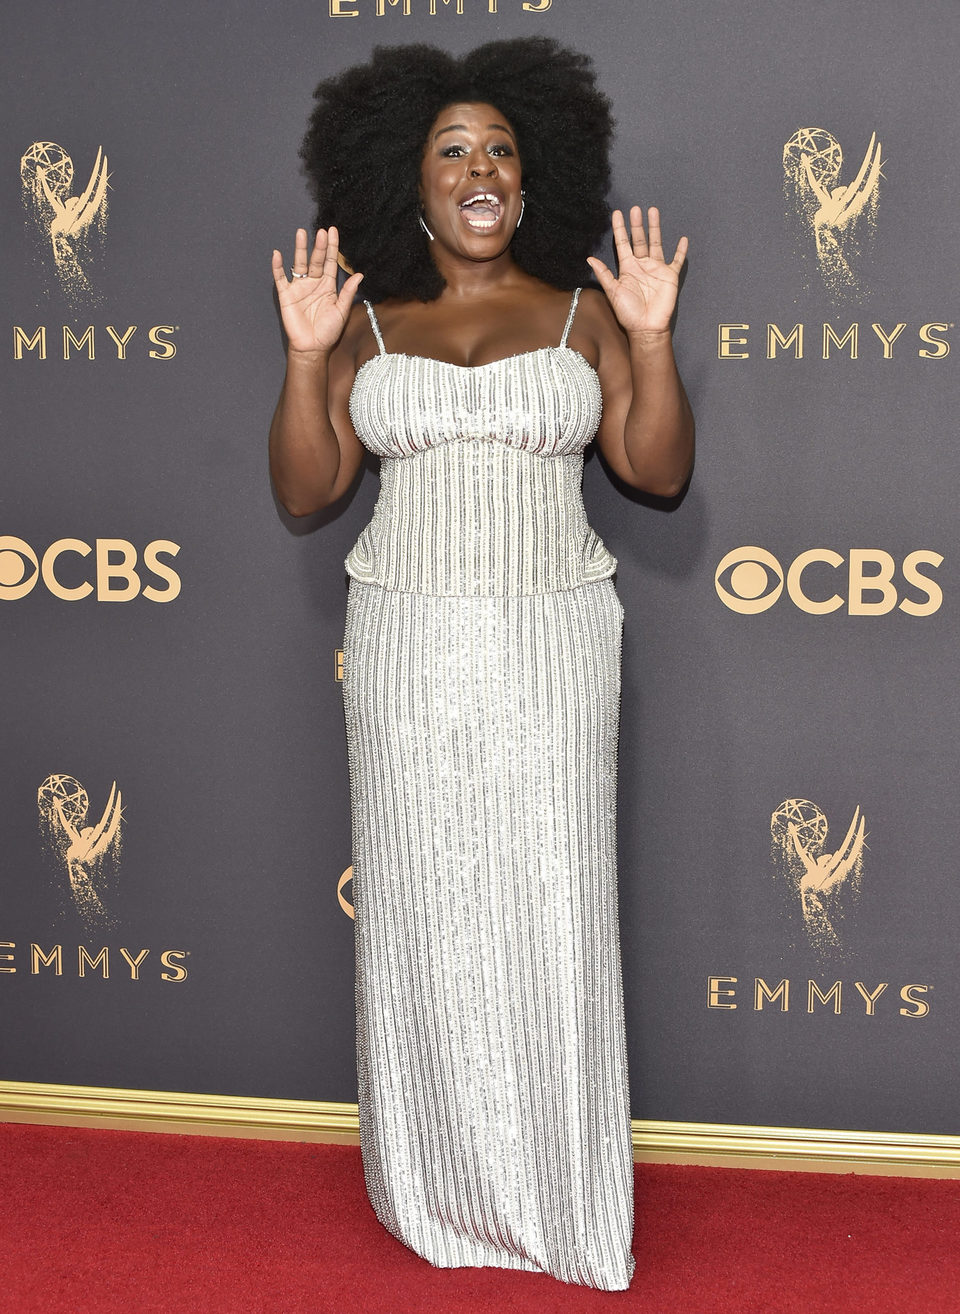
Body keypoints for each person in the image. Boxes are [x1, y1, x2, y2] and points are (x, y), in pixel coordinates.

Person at [269, 38, 693, 1292]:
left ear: (538, 171)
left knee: (550, 908)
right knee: (423, 910)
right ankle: (438, 1183)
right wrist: (304, 357)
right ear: (408, 179)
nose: (480, 166)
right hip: (406, 644)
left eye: (501, 146)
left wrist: (654, 338)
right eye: (452, 148)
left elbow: (656, 473)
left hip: (554, 639)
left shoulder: (585, 308)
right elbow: (309, 489)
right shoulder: (367, 323)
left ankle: (559, 1194)